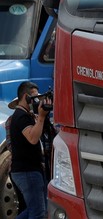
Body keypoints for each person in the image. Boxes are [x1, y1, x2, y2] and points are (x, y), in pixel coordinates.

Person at [9, 81, 52, 219]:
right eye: (34, 98)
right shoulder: (21, 116)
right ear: (26, 97)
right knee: (38, 213)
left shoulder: (26, 116)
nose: (37, 101)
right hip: (27, 172)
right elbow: (33, 138)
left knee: (39, 209)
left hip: (31, 170)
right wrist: (41, 117)